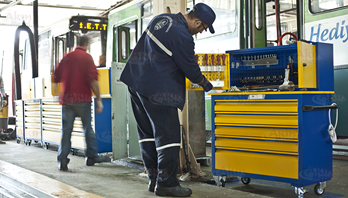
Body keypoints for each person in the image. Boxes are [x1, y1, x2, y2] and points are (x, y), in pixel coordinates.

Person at [120, 3, 215, 197]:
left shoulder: (162, 20)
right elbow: (190, 68)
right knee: (169, 138)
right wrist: (207, 84)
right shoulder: (182, 36)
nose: (200, 32)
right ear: (197, 21)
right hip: (158, 89)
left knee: (147, 134)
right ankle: (166, 184)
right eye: (202, 28)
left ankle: (154, 179)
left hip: (136, 83)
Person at [54, 36, 110, 171]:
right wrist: (99, 100)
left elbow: (56, 77)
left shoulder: (67, 56)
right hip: (83, 100)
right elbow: (93, 80)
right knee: (87, 129)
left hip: (67, 101)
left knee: (66, 132)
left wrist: (58, 96)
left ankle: (62, 160)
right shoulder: (87, 57)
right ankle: (91, 157)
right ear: (86, 44)